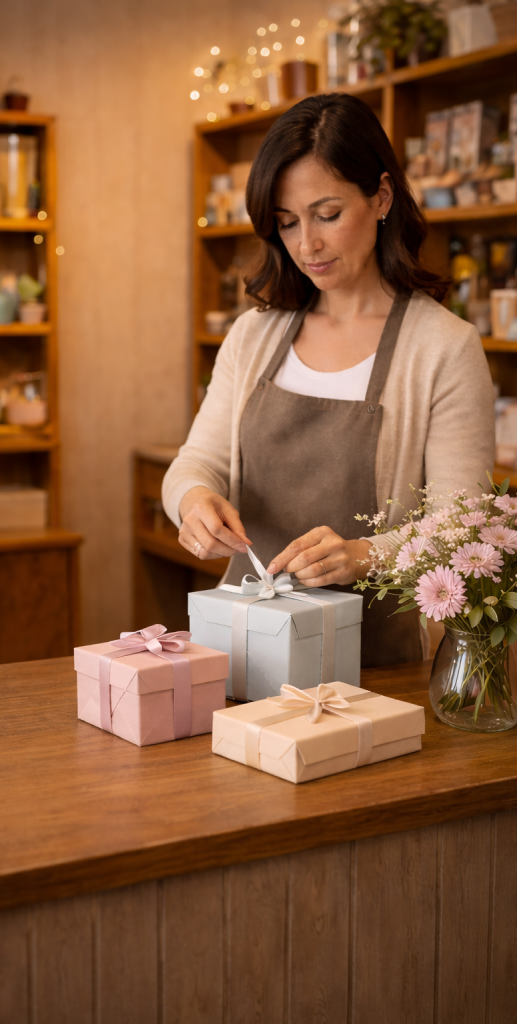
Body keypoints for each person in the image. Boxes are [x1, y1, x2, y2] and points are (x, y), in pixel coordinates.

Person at [162, 93, 495, 667]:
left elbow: (460, 530)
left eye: (327, 214)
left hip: (376, 664)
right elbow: (195, 463)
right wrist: (193, 503)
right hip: (245, 648)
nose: (306, 245)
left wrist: (365, 554)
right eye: (287, 222)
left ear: (382, 197)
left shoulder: (444, 348)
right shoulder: (253, 335)